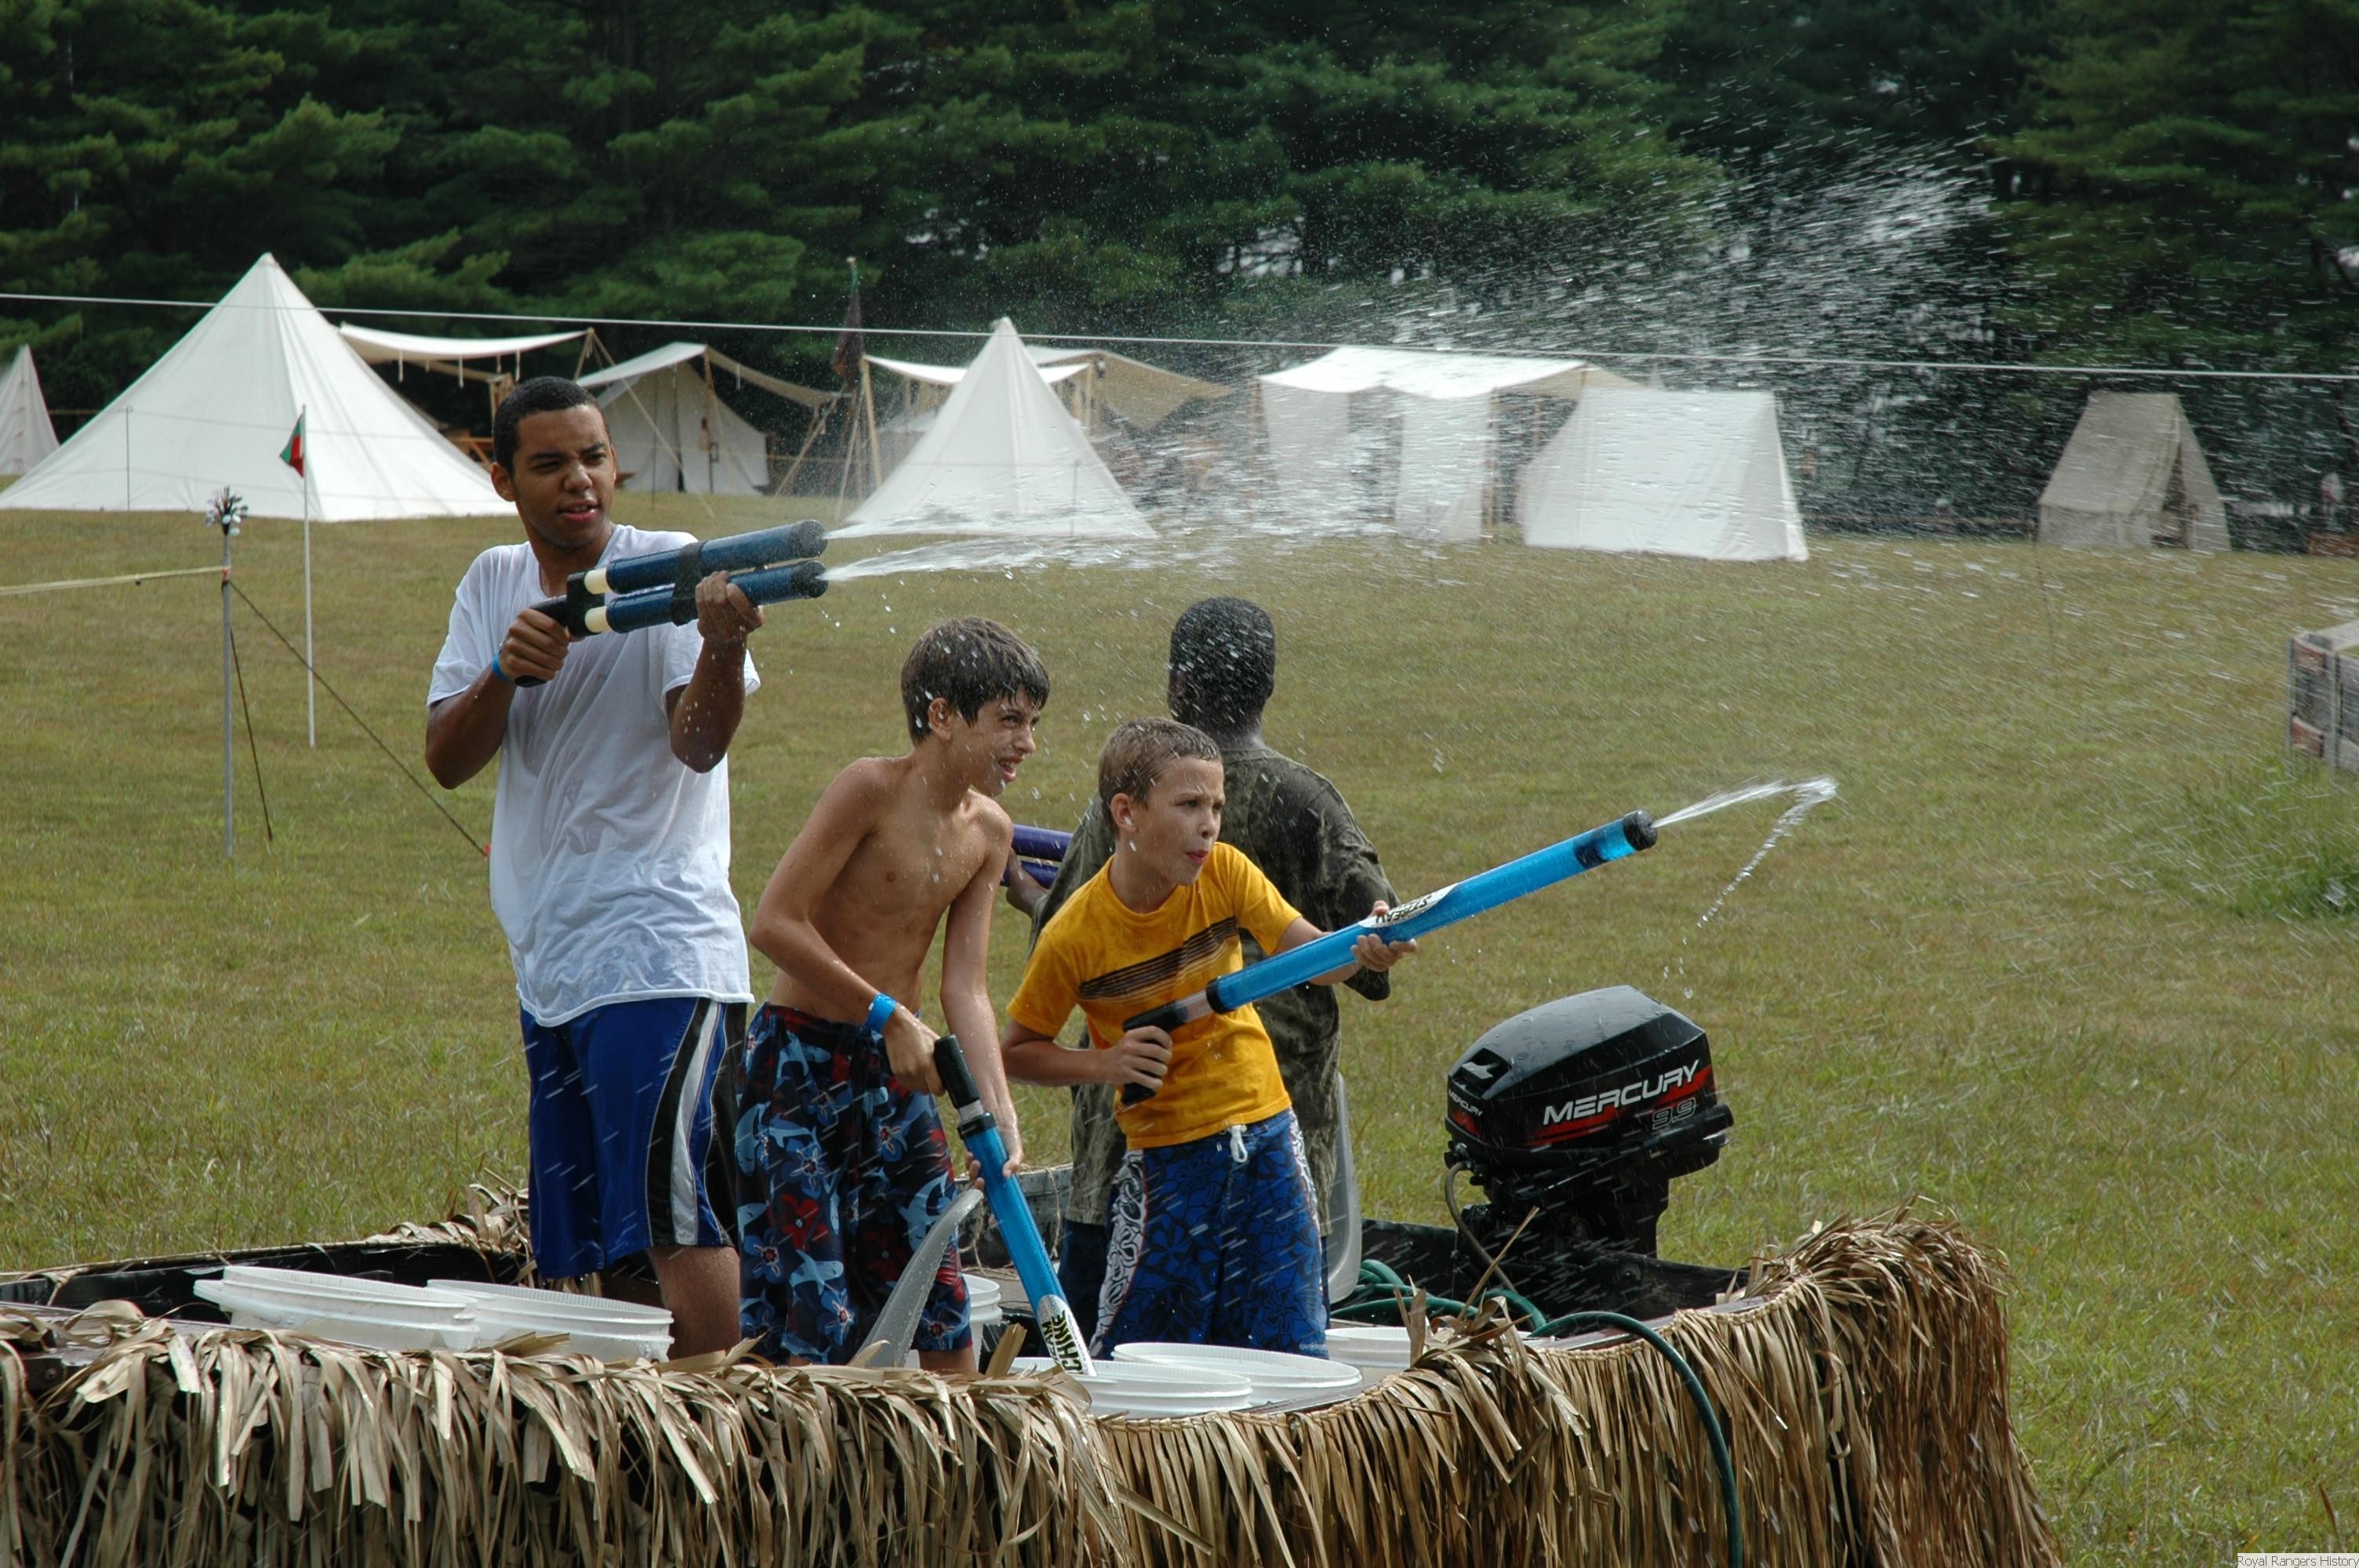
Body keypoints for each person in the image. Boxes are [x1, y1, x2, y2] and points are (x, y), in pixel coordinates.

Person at [425, 376, 764, 1357]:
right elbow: (446, 757)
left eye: (594, 456)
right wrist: (504, 672)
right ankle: (643, 1427)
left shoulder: (668, 568)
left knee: (677, 1219)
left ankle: (728, 1418)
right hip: (553, 965)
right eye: (549, 463)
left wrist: (719, 644)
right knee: (604, 1242)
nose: (579, 479)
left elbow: (697, 744)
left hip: (660, 954)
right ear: (502, 479)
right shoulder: (491, 581)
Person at [1015, 597, 1394, 1338]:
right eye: (1192, 806)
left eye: (1212, 808)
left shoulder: (1139, 816)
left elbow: (1054, 933)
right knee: (1246, 1346)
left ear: (1178, 683)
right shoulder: (1308, 801)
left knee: (1132, 1359)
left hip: (1193, 1141)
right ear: (1269, 687)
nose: (1207, 825)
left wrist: (1366, 943)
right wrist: (1376, 941)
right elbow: (1371, 960)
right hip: (1186, 1144)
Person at [735, 618, 1044, 1369]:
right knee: (814, 1315)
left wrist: (999, 1115)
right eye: (1009, 721)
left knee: (940, 1307)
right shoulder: (869, 790)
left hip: (895, 1074)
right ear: (942, 716)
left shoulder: (990, 833)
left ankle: (950, 1443)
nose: (1027, 743)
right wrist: (885, 1012)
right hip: (797, 1067)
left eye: (1033, 724)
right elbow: (774, 922)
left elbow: (965, 986)